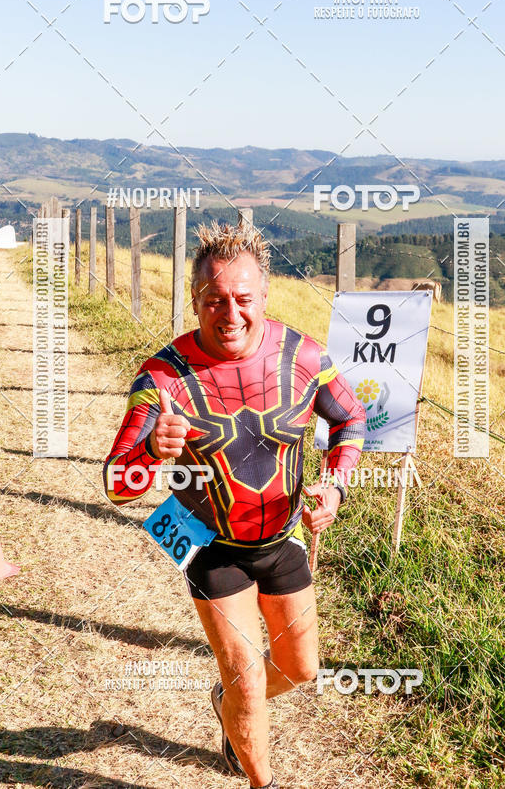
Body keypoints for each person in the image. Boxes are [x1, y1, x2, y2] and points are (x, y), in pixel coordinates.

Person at [103, 222, 366, 789]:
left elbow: (350, 418)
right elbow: (117, 483)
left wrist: (336, 486)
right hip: (210, 546)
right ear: (195, 300)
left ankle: (225, 699)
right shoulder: (161, 378)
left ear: (264, 296)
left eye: (243, 299)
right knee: (249, 677)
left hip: (281, 540)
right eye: (215, 300)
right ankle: (258, 773)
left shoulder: (305, 356)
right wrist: (151, 450)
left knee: (300, 670)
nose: (230, 314)